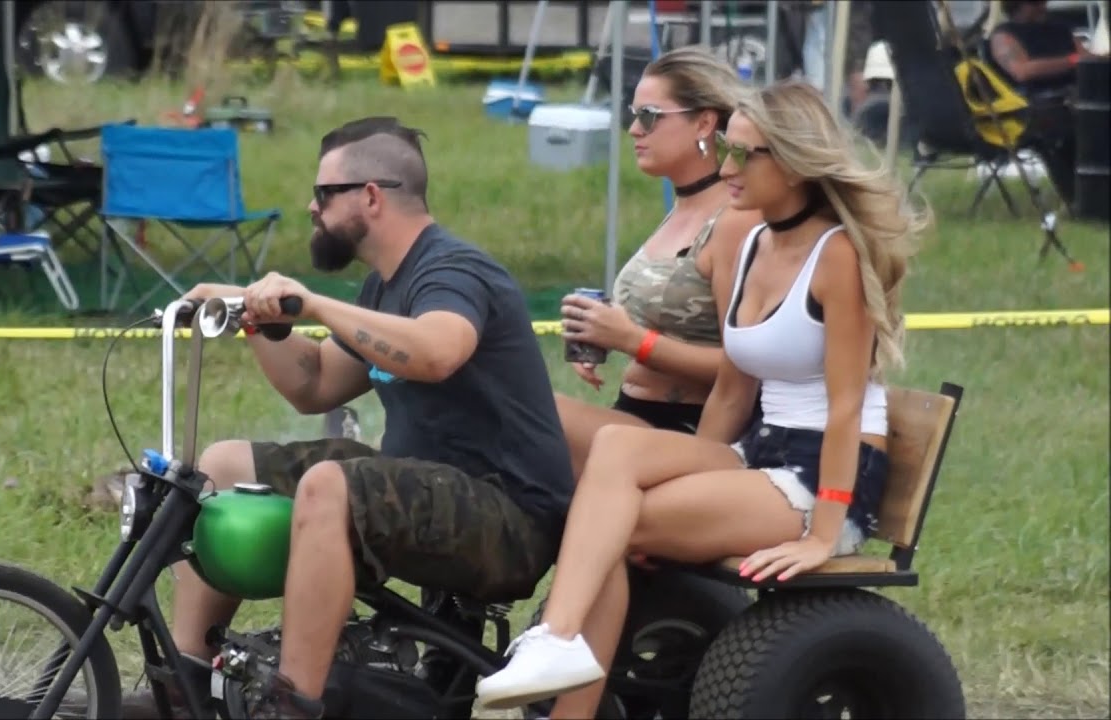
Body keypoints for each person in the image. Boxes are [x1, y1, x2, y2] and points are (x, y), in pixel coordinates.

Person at [475, 79, 930, 716]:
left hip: (824, 474)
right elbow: (735, 386)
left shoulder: (837, 257)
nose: (726, 166)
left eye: (745, 154)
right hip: (761, 452)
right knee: (616, 453)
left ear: (795, 166)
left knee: (616, 518)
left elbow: (847, 407)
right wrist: (683, 470)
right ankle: (557, 641)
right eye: (725, 147)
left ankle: (560, 653)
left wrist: (824, 534)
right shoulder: (754, 244)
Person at [121, 116, 575, 719]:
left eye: (324, 193)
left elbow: (437, 351)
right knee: (224, 467)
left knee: (331, 487)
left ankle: (293, 703)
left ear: (371, 196)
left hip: (509, 515)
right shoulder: (382, 288)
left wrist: (313, 303)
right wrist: (251, 314)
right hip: (429, 484)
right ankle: (185, 685)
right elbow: (314, 384)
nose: (311, 207)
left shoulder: (453, 270)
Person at [555, 45, 763, 480]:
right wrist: (601, 334)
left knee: (520, 411)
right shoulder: (683, 208)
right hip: (635, 418)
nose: (633, 129)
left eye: (649, 116)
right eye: (633, 115)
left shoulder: (733, 221)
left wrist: (634, 341)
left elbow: (744, 369)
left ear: (704, 122)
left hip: (686, 434)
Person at [987, 0, 1103, 205]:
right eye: (1036, 3)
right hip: (1032, 107)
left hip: (1075, 98)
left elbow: (1087, 59)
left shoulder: (1060, 29)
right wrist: (1072, 61)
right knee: (1060, 131)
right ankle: (1081, 200)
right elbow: (1022, 71)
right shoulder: (1004, 36)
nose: (1043, 6)